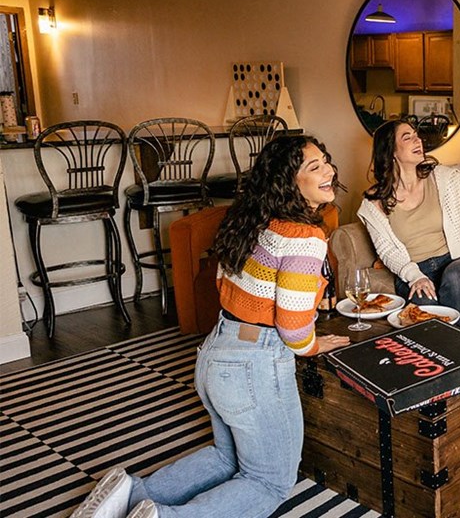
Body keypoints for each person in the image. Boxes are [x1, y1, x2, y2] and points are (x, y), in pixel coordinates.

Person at [71, 135, 350, 518]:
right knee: (269, 480)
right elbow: (291, 324)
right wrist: (312, 346)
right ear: (289, 182)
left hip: (216, 353)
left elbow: (224, 285)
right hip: (254, 364)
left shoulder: (252, 221)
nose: (329, 170)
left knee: (226, 457)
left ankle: (132, 493)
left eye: (326, 161)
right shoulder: (303, 237)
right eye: (314, 166)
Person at [359, 119, 460, 325]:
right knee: (419, 310)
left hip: (457, 262)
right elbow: (387, 251)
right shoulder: (374, 202)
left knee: (454, 277)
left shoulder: (442, 177)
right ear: (391, 152)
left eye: (416, 135)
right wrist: (415, 276)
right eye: (407, 138)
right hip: (415, 270)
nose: (418, 140)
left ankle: (456, 346)